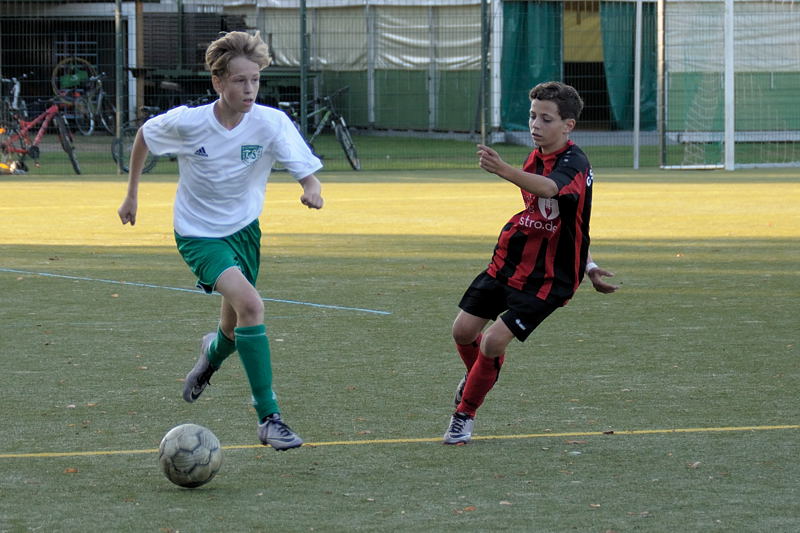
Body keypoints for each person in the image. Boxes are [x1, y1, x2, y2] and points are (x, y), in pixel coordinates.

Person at [117, 31, 323, 450]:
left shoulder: (271, 122)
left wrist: (311, 187)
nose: (249, 89)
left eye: (255, 80)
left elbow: (302, 165)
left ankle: (210, 355)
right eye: (239, 81)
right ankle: (270, 418)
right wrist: (132, 192)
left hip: (245, 231)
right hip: (198, 234)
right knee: (252, 305)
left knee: (233, 328)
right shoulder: (190, 122)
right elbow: (144, 137)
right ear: (217, 82)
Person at [443, 81, 619, 445]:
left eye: (546, 118)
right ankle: (483, 373)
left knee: (492, 341)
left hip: (549, 279)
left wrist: (501, 168)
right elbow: (559, 221)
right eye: (532, 116)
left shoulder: (574, 162)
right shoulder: (534, 157)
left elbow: (550, 190)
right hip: (511, 259)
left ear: (568, 125)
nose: (535, 125)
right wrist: (591, 264)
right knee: (462, 332)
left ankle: (464, 415)